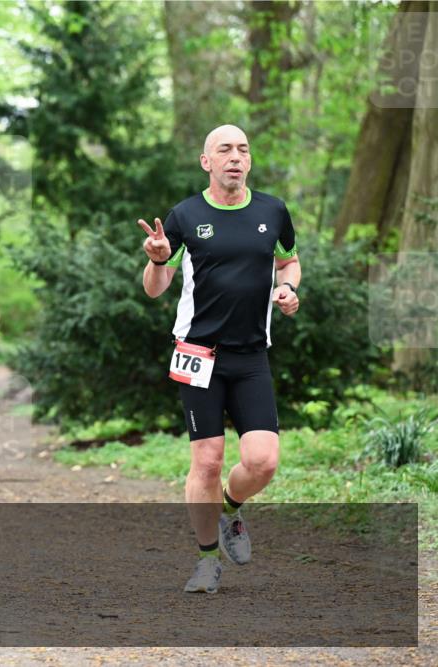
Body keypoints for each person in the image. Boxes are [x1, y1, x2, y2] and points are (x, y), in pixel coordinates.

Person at [138, 124, 300, 594]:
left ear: (249, 161)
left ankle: (230, 509)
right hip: (198, 354)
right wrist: (156, 259)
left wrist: (287, 286)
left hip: (251, 355)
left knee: (263, 461)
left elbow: (288, 261)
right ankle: (207, 559)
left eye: (243, 149)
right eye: (224, 150)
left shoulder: (273, 210)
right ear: (206, 161)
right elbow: (155, 289)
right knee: (206, 462)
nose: (235, 157)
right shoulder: (184, 216)